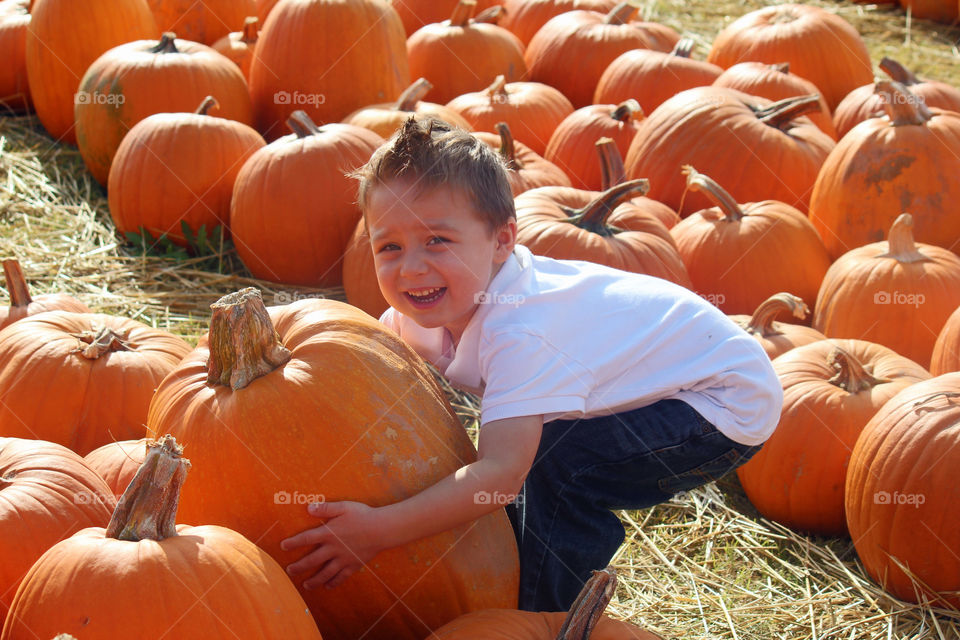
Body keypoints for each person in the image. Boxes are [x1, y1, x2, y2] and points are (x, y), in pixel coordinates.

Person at [281, 117, 782, 612]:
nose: (411, 266)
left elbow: (500, 474)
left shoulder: (519, 330)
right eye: (389, 246)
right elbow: (350, 358)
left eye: (437, 240)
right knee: (531, 459)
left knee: (554, 468)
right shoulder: (419, 313)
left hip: (719, 400)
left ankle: (544, 617)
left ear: (502, 241)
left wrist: (380, 531)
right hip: (658, 377)